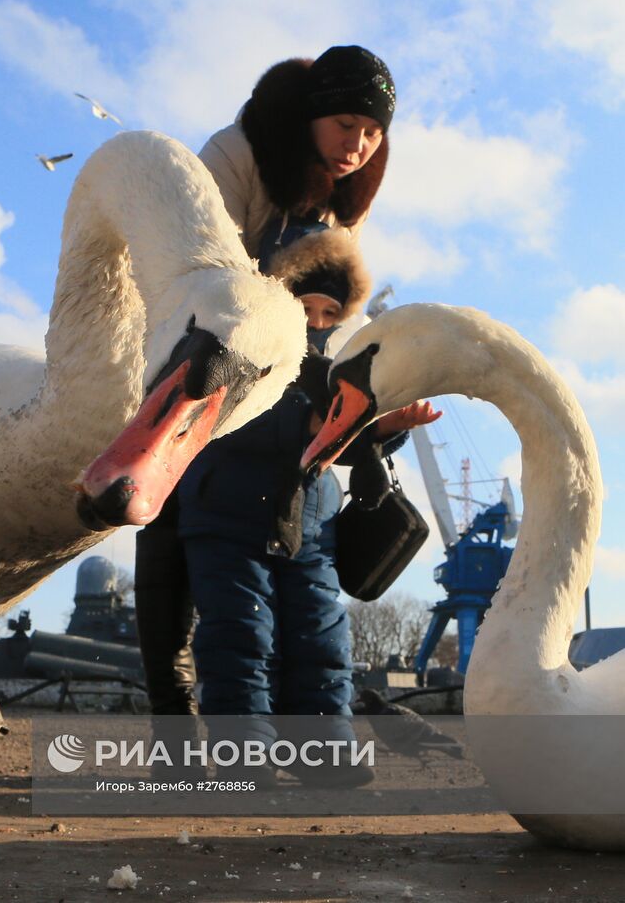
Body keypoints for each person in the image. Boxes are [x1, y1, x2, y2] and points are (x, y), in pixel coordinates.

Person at [133, 44, 398, 721]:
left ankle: (296, 728)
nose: (358, 147)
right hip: (193, 334)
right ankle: (174, 705)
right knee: (165, 517)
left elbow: (329, 301)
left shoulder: (347, 196)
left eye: (373, 134)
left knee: (290, 588)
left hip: (284, 374)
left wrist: (360, 409)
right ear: (312, 115)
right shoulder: (234, 153)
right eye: (346, 126)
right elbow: (194, 263)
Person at [175, 234, 438, 786]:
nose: (316, 320)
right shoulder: (230, 349)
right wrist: (311, 426)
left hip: (311, 522)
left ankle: (321, 754)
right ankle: (244, 760)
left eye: (328, 312)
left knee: (321, 638)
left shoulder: (335, 368)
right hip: (228, 515)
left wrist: (384, 428)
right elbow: (215, 422)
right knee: (241, 636)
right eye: (304, 305)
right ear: (277, 299)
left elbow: (349, 447)